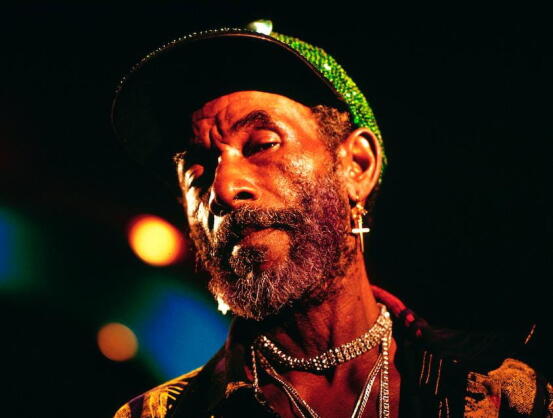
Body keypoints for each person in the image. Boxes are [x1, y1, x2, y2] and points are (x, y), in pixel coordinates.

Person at [111, 20, 552, 418]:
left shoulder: (509, 390)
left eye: (262, 144)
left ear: (356, 166)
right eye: (197, 171)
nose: (224, 188)